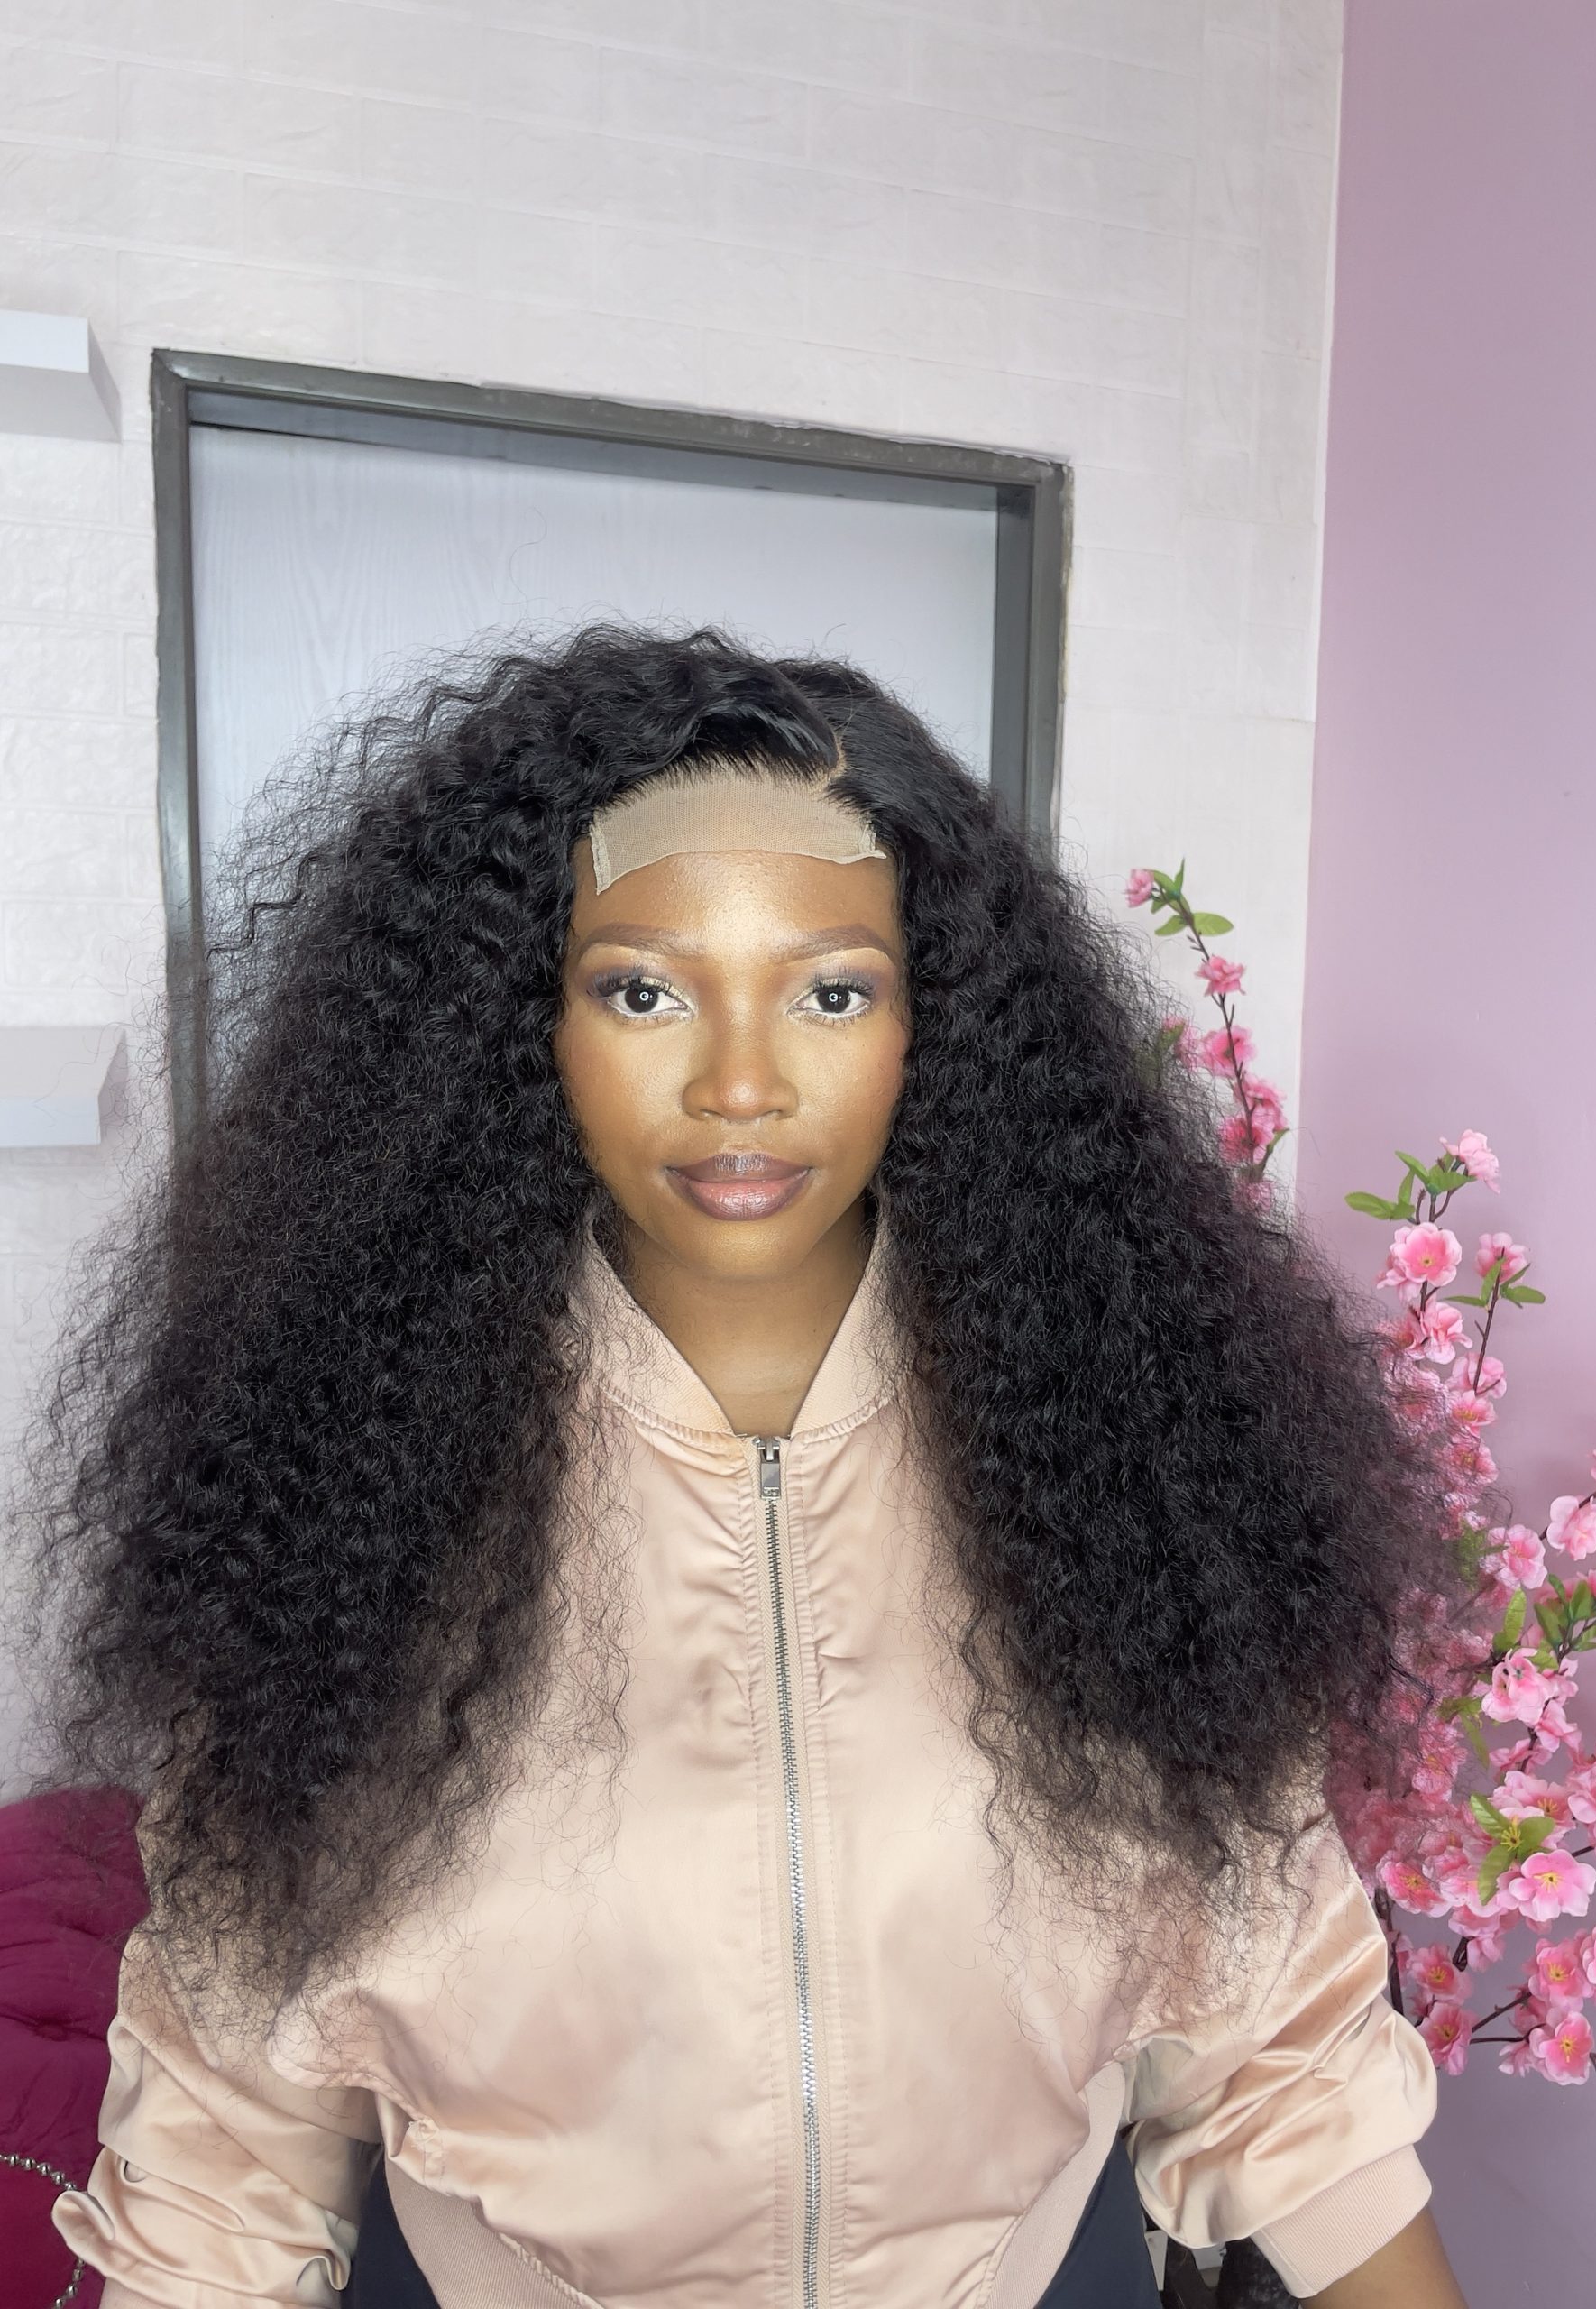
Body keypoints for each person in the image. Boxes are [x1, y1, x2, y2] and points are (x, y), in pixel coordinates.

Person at [19, 626, 1468, 2307]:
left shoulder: (1128, 1454)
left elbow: (1282, 2045)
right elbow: (222, 2152)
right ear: (524, 1020)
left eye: (831, 990)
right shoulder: (341, 1485)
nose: (740, 1085)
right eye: (642, 989)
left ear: (933, 1022)